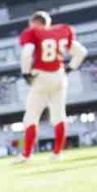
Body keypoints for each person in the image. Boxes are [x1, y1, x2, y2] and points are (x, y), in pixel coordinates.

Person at [17, 11, 88, 161]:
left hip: (41, 76)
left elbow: (27, 53)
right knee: (58, 114)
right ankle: (57, 153)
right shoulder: (62, 31)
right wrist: (70, 68)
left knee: (31, 116)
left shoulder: (32, 32)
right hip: (59, 75)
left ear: (33, 22)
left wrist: (25, 73)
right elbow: (81, 52)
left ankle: (27, 154)